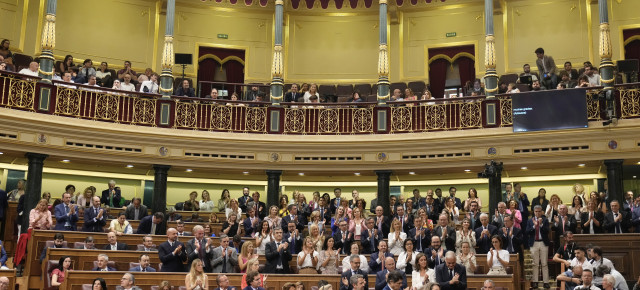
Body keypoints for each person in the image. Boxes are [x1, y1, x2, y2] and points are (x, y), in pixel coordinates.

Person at [528, 205, 550, 289]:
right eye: (536, 211)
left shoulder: (545, 220)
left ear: (542, 212)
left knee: (544, 263)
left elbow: (547, 230)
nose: (537, 213)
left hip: (543, 243)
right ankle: (535, 281)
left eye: (539, 211)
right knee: (535, 263)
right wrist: (534, 226)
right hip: (534, 243)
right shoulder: (530, 221)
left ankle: (546, 282)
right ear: (534, 212)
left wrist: (540, 225)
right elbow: (527, 231)